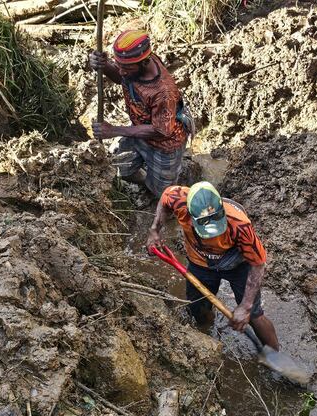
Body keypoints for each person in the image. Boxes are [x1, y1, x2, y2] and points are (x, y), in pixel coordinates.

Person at [146, 182, 280, 350]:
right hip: (200, 262)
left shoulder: (239, 224)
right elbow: (165, 198)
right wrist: (154, 230)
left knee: (254, 315)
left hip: (237, 264)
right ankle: (207, 335)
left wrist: (245, 307)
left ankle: (275, 355)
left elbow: (258, 264)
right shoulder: (178, 199)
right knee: (197, 307)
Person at [87, 29, 192, 197]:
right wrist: (104, 66)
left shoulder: (163, 92)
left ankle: (162, 197)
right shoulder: (136, 67)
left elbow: (160, 131)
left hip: (165, 144)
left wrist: (114, 130)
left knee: (162, 192)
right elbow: (121, 77)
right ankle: (147, 182)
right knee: (124, 168)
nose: (121, 71)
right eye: (118, 65)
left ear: (145, 63)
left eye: (125, 68)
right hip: (140, 130)